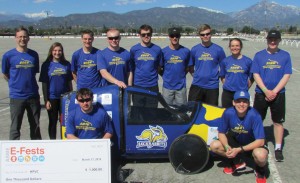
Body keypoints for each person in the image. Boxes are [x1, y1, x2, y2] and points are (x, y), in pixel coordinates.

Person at [251, 30, 292, 162]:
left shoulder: (285, 56)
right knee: (257, 120)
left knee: (278, 122)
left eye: (275, 39)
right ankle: (257, 143)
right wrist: (265, 90)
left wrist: (274, 91)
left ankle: (278, 148)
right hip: (261, 93)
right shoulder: (259, 55)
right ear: (267, 40)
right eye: (270, 39)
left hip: (279, 94)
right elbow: (255, 74)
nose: (273, 42)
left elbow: (287, 75)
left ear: (279, 40)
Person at [210, 90, 268, 183]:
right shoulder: (228, 113)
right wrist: (226, 146)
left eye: (244, 101)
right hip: (236, 143)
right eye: (238, 101)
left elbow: (260, 141)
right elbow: (221, 133)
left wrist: (239, 150)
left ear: (249, 103)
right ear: (233, 102)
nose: (241, 104)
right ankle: (237, 162)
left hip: (251, 145)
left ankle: (260, 170)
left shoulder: (255, 115)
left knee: (261, 155)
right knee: (214, 146)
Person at [1, 27, 42, 140]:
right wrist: (14, 83)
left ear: (28, 38)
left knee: (35, 126)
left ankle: (37, 151)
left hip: (33, 96)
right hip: (16, 97)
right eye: (20, 37)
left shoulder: (34, 55)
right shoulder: (8, 56)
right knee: (15, 127)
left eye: (24, 36)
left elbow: (33, 73)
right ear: (15, 38)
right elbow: (5, 74)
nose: (22, 39)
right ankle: (13, 152)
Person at [39, 42, 73, 139]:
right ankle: (53, 142)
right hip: (52, 98)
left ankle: (64, 140)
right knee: (53, 122)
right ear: (51, 51)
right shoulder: (46, 65)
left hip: (65, 98)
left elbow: (69, 82)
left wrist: (70, 96)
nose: (57, 53)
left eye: (59, 50)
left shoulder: (66, 64)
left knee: (64, 121)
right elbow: (44, 84)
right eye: (55, 50)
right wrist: (46, 100)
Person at [188, 24, 226, 106]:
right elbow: (190, 66)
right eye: (203, 34)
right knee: (192, 111)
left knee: (211, 114)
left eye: (207, 34)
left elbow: (224, 67)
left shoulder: (219, 50)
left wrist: (217, 78)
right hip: (197, 85)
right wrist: (197, 76)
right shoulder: (194, 49)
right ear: (200, 36)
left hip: (212, 87)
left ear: (211, 34)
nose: (205, 36)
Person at [130, 24, 162, 107]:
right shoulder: (134, 49)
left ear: (151, 34)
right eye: (143, 34)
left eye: (148, 34)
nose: (146, 36)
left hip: (153, 86)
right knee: (138, 112)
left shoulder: (157, 49)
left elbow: (159, 66)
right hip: (138, 85)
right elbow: (132, 67)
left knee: (152, 111)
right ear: (140, 35)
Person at [160, 27, 190, 106]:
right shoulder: (163, 52)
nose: (174, 38)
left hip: (181, 87)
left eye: (177, 36)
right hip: (167, 87)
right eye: (172, 36)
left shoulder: (186, 51)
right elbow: (159, 68)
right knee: (166, 111)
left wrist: (181, 75)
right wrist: (165, 76)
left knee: (182, 111)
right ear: (169, 37)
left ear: (179, 37)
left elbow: (188, 67)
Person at [220, 38, 253, 108]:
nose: (235, 48)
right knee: (227, 113)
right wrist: (228, 85)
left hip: (242, 92)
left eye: (237, 46)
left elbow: (252, 77)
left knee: (241, 114)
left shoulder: (248, 61)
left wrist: (245, 87)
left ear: (241, 46)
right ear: (229, 47)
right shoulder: (225, 61)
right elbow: (222, 76)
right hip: (227, 93)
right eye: (232, 46)